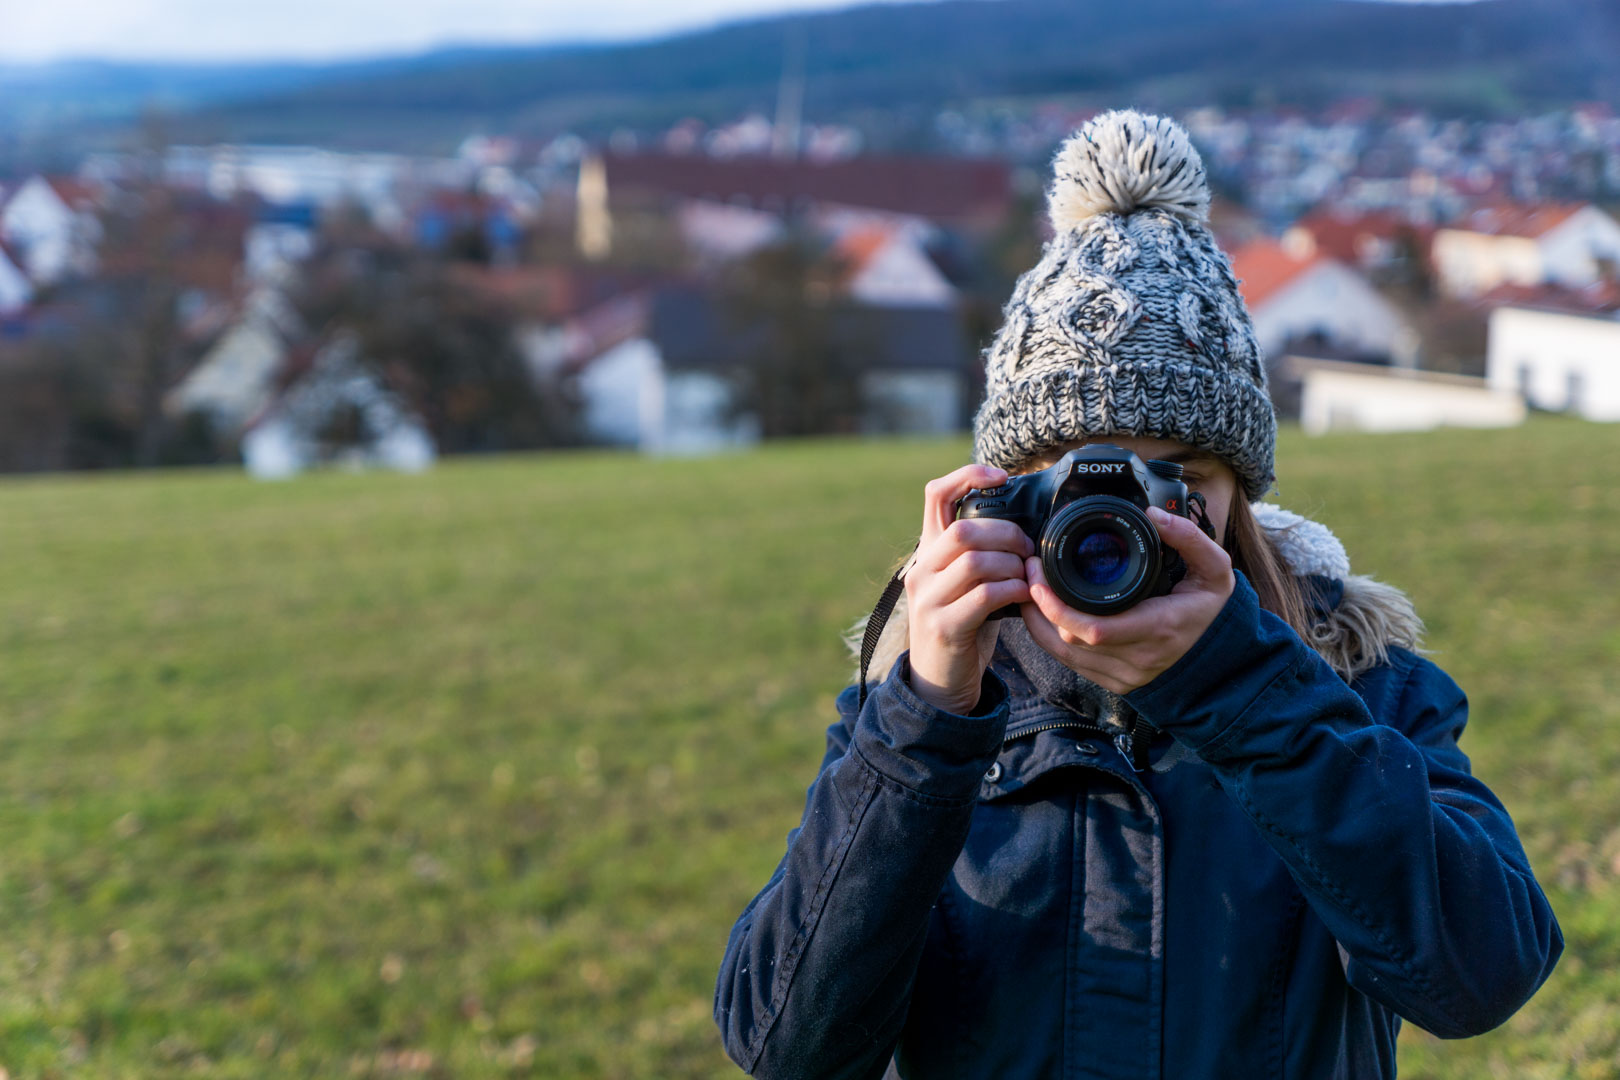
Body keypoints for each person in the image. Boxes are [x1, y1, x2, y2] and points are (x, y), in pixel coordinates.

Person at [714, 109, 1561, 1079]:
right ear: (1003, 491)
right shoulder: (923, 707)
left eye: (1176, 481)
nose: (1123, 524)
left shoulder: (1361, 686)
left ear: (1239, 491)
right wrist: (927, 719)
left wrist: (1240, 689)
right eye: (1077, 483)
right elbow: (787, 1049)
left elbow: (1485, 976)